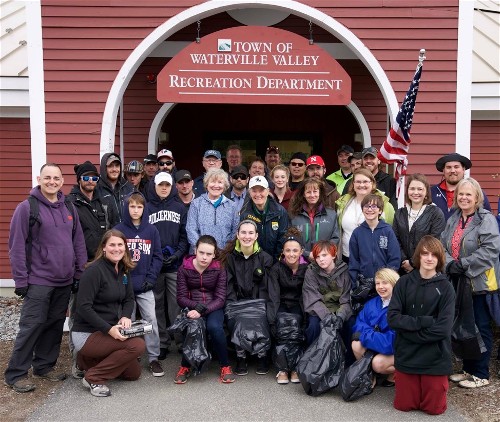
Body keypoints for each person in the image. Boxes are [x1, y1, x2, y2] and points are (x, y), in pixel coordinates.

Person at [4, 163, 87, 393]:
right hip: (38, 280)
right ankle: (16, 373)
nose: (52, 181)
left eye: (56, 178)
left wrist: (78, 272)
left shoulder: (68, 207)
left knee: (53, 325)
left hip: (64, 280)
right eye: (47, 177)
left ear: (62, 181)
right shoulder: (27, 208)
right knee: (31, 326)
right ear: (39, 178)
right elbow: (17, 246)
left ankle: (43, 366)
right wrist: (21, 280)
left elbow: (78, 242)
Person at [441, 178, 500, 389]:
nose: (464, 197)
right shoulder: (454, 218)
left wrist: (463, 265)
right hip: (456, 280)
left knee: (480, 326)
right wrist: (449, 265)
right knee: (463, 325)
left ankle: (481, 373)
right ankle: (467, 369)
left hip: (478, 282)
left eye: (468, 194)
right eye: (461, 194)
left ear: (477, 198)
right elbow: (442, 245)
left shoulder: (486, 219)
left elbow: (490, 250)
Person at [72, 229, 146, 397]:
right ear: (104, 247)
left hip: (108, 329)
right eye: (112, 245)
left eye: (120, 245)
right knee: (137, 345)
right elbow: (83, 307)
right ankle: (93, 377)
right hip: (87, 333)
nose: (116, 249)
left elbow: (129, 299)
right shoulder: (94, 271)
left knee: (133, 374)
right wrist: (109, 329)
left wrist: (126, 316)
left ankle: (86, 361)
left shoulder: (122, 270)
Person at [387, 236, 455, 415]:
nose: (429, 258)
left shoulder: (446, 287)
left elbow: (443, 329)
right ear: (418, 256)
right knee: (404, 406)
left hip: (435, 357)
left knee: (434, 409)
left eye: (434, 254)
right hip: (407, 355)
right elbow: (393, 318)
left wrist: (409, 332)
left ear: (440, 258)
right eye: (425, 253)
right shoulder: (403, 283)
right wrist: (424, 322)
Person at [114, 193, 164, 377]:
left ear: (144, 209)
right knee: (127, 321)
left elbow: (158, 256)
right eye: (132, 206)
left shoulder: (151, 230)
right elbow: (114, 257)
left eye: (139, 207)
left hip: (145, 285)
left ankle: (153, 358)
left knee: (150, 320)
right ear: (126, 208)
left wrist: (150, 278)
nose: (135, 210)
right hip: (125, 286)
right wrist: (121, 280)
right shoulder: (119, 230)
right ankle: (130, 356)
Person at [175, 235, 235, 384]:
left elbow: (221, 298)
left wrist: (202, 310)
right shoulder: (184, 268)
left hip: (213, 307)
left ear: (214, 254)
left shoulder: (219, 268)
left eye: (209, 254)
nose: (204, 257)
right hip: (192, 306)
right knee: (194, 327)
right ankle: (185, 366)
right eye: (201, 252)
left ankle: (225, 365)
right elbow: (181, 297)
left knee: (215, 327)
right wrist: (195, 309)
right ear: (195, 250)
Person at [220, 220, 274, 376]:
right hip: (237, 303)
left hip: (258, 303)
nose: (247, 236)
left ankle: (262, 356)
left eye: (251, 233)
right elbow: (228, 286)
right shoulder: (229, 258)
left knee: (259, 317)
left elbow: (267, 288)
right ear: (237, 235)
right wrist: (233, 305)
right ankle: (241, 357)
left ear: (256, 236)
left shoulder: (265, 259)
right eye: (243, 232)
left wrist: (258, 306)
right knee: (239, 319)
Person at [146, 171, 189, 360]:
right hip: (154, 266)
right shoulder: (147, 208)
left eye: (167, 185)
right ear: (154, 187)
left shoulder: (180, 208)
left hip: (174, 264)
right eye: (160, 185)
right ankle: (162, 342)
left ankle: (179, 340)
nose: (164, 188)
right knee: (156, 307)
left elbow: (184, 236)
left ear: (171, 187)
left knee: (176, 306)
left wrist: (178, 254)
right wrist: (154, 257)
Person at [267, 227, 308, 384]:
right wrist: (272, 319)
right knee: (282, 322)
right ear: (283, 252)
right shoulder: (276, 269)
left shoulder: (307, 269)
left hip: (299, 304)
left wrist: (305, 317)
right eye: (288, 250)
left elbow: (306, 295)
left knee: (297, 323)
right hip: (282, 303)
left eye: (295, 250)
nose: (291, 254)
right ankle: (282, 368)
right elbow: (273, 296)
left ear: (301, 251)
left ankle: (296, 366)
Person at [351, 268, 399, 388]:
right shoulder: (372, 303)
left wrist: (366, 335)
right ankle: (369, 374)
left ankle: (397, 374)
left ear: (393, 283)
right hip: (376, 342)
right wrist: (368, 335)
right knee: (356, 344)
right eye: (378, 283)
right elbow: (359, 325)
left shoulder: (400, 306)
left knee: (378, 364)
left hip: (396, 350)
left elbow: (390, 342)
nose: (380, 287)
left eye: (385, 283)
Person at [336, 168, 395, 264]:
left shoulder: (385, 205)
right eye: (358, 182)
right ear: (353, 184)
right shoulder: (343, 203)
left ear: (372, 183)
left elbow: (391, 234)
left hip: (374, 259)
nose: (361, 185)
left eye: (365, 182)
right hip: (347, 256)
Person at [302, 241, 352, 348]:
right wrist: (328, 317)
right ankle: (312, 357)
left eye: (324, 255)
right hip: (320, 311)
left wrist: (340, 317)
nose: (321, 259)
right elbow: (312, 299)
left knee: (351, 324)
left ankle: (348, 360)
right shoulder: (311, 271)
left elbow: (346, 299)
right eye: (317, 256)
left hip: (340, 310)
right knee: (313, 326)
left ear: (333, 255)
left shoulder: (345, 270)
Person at [393, 174, 445, 275]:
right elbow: (395, 240)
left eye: (420, 189)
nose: (416, 192)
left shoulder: (435, 213)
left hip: (426, 268)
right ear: (407, 191)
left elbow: (434, 242)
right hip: (403, 269)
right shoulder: (399, 213)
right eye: (412, 189)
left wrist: (413, 263)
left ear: (426, 192)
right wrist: (405, 262)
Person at [349, 194, 400, 290]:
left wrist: (386, 278)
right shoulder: (357, 233)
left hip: (384, 283)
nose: (369, 209)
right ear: (362, 209)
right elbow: (354, 261)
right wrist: (355, 284)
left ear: (380, 210)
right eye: (366, 206)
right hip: (364, 283)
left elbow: (394, 258)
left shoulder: (387, 231)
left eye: (374, 206)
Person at [68, 161, 117, 261]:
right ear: (79, 180)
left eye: (94, 178)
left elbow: (114, 227)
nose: (90, 181)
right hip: (81, 261)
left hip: (104, 259)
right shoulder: (70, 204)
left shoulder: (105, 202)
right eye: (86, 178)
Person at [187, 168, 239, 251]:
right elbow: (191, 229)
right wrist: (202, 250)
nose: (216, 185)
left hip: (224, 255)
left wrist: (227, 250)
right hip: (201, 254)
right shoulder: (196, 204)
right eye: (213, 181)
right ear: (207, 184)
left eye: (220, 182)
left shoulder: (232, 206)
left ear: (225, 185)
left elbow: (235, 230)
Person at [289, 178, 340, 262]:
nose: (312, 195)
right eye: (308, 192)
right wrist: (306, 253)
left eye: (315, 191)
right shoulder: (294, 215)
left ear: (320, 193)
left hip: (324, 260)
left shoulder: (331, 214)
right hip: (300, 261)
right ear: (303, 194)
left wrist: (321, 254)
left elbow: (335, 238)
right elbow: (291, 239)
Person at [239, 175, 290, 260]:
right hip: (253, 261)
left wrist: (276, 261)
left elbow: (283, 238)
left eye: (261, 190)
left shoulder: (280, 211)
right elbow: (243, 240)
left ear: (267, 191)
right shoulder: (244, 213)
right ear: (249, 192)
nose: (258, 194)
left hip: (275, 261)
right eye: (254, 191)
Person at [431, 153, 491, 221]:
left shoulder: (476, 192)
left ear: (463, 169)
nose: (452, 171)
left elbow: (487, 219)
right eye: (448, 167)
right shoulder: (431, 192)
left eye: (456, 167)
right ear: (443, 170)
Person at [96, 153, 134, 222]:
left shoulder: (129, 188)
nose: (114, 169)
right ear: (104, 168)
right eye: (110, 166)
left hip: (127, 231)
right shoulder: (97, 189)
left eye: (117, 166)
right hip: (107, 232)